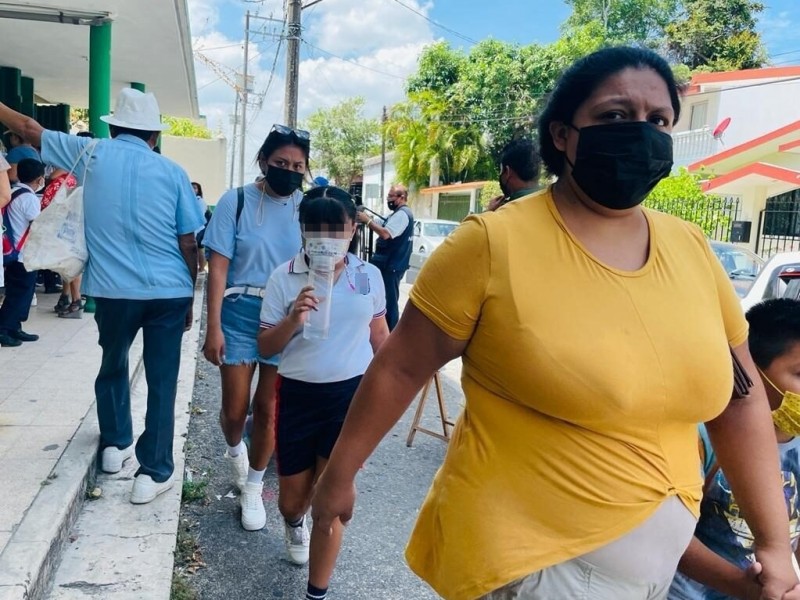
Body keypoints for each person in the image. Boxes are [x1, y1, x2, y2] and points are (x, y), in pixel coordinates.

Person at [311, 46, 800, 600]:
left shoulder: (689, 248)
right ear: (563, 135)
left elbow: (739, 400)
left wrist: (774, 545)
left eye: (658, 120)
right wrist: (338, 478)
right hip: (535, 567)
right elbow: (399, 367)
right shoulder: (494, 244)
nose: (640, 133)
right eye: (615, 116)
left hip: (655, 576)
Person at [0, 88, 204, 503]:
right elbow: (188, 242)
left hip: (113, 293)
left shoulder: (92, 153)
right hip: (168, 291)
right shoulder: (173, 173)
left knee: (113, 362)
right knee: (163, 379)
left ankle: (115, 445)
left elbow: (26, 127)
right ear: (153, 135)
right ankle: (154, 472)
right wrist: (189, 297)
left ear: (114, 129)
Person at [257, 185, 389, 600]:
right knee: (293, 503)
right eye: (316, 229)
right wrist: (294, 317)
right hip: (297, 395)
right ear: (302, 230)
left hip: (349, 400)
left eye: (337, 229)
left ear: (353, 228)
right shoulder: (283, 277)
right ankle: (293, 524)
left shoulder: (368, 276)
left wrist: (400, 378)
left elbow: (379, 335)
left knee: (331, 506)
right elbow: (265, 347)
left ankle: (317, 592)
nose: (326, 238)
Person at [201, 124, 308, 531]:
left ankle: (254, 485)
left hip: (285, 316)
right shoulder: (237, 201)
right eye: (281, 163)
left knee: (268, 410)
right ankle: (234, 451)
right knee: (234, 410)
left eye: (297, 165)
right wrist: (214, 327)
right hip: (239, 312)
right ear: (264, 161)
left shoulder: (306, 207)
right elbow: (218, 268)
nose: (289, 170)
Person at [669, 298, 800, 600]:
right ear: (753, 372)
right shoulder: (704, 438)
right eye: (799, 374)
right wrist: (740, 586)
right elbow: (672, 536)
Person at [355, 184, 413, 331]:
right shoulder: (396, 214)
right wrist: (368, 217)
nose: (388, 199)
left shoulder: (403, 214)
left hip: (391, 266)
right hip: (384, 264)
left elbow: (386, 233)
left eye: (391, 196)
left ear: (401, 197)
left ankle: (390, 335)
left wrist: (367, 221)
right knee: (370, 287)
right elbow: (382, 223)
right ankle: (371, 323)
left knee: (389, 303)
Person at [0, 158, 43, 347]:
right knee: (20, 294)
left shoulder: (13, 191)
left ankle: (14, 327)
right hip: (23, 254)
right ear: (40, 178)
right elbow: (38, 226)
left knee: (16, 293)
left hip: (11, 251)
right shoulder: (30, 198)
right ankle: (4, 329)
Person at [486, 138, 541, 212]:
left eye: (501, 170)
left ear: (507, 172)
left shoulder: (501, 214)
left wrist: (489, 212)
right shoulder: (555, 203)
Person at [192, 182, 211, 272]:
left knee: (198, 249)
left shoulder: (200, 201)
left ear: (198, 190)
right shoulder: (190, 200)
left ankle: (201, 269)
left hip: (199, 228)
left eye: (195, 188)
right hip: (194, 228)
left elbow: (199, 216)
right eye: (191, 188)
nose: (193, 190)